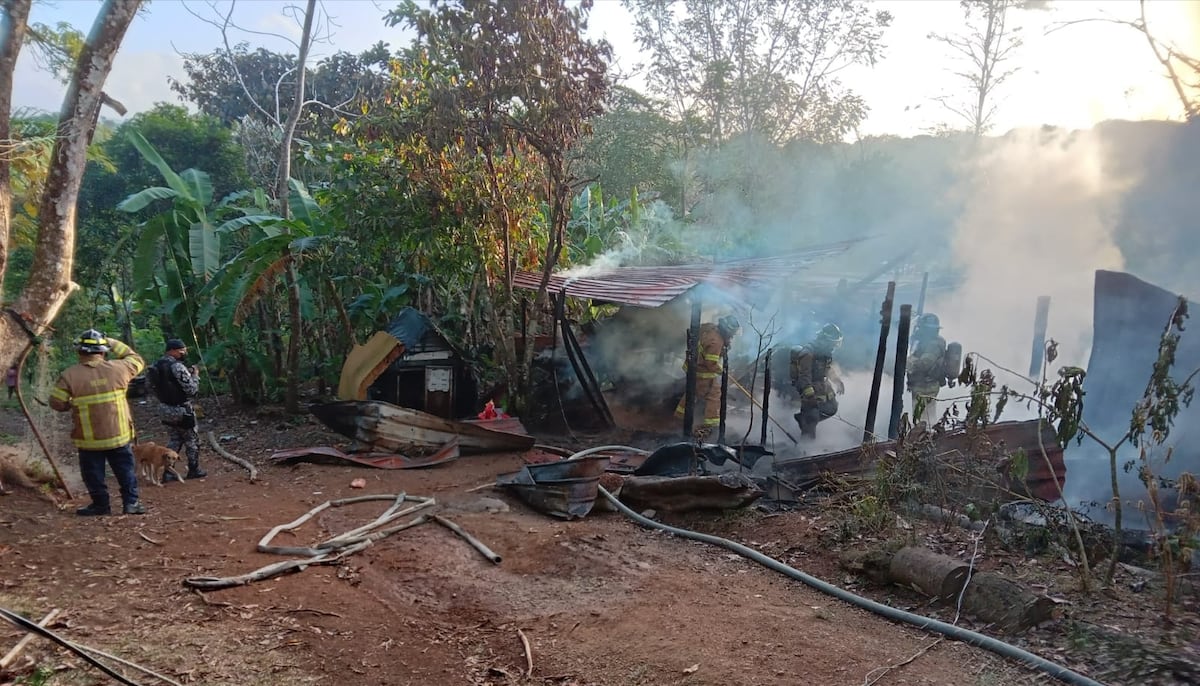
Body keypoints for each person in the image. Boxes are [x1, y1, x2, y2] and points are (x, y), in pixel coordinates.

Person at [49, 330, 146, 516]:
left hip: (89, 439)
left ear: (80, 352)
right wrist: (110, 341)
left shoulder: (69, 375)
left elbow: (56, 402)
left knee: (93, 474)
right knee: (125, 470)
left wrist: (71, 405)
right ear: (103, 351)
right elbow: (136, 358)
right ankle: (131, 504)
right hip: (119, 435)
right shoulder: (120, 368)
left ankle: (101, 505)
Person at [148, 338, 206, 481]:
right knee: (191, 440)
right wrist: (195, 376)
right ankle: (194, 469)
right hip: (181, 410)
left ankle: (168, 472)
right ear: (173, 350)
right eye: (182, 350)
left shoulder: (154, 366)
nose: (184, 353)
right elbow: (191, 389)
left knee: (175, 439)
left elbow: (149, 388)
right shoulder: (177, 367)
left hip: (164, 409)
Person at [674, 315, 740, 440]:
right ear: (727, 330)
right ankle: (711, 425)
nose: (732, 336)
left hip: (695, 369)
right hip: (703, 373)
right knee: (714, 395)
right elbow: (711, 363)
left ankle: (679, 417)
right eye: (732, 334)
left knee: (692, 394)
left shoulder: (712, 331)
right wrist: (722, 370)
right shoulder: (716, 342)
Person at [790, 323, 845, 439]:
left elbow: (828, 369)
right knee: (812, 415)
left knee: (832, 408)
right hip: (808, 387)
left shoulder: (825, 353)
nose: (834, 347)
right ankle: (805, 448)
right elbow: (804, 376)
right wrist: (809, 396)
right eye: (832, 343)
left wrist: (838, 382)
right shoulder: (808, 353)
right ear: (825, 340)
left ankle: (803, 419)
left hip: (821, 385)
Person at [907, 313, 948, 426]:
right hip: (921, 385)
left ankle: (925, 439)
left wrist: (909, 362)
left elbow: (924, 364)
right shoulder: (924, 343)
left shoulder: (934, 345)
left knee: (924, 418)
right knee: (921, 416)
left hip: (927, 387)